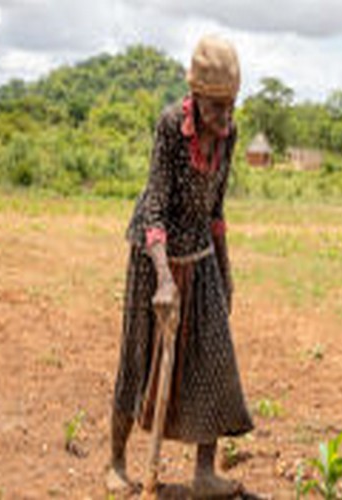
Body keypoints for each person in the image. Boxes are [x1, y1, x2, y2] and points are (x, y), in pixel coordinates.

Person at [106, 35, 253, 497]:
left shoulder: (228, 134)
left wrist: (225, 270)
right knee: (138, 358)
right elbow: (154, 205)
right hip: (154, 255)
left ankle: (205, 473)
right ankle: (116, 462)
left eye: (231, 106)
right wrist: (164, 280)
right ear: (196, 97)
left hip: (201, 251)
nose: (224, 117)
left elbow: (216, 209)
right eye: (216, 107)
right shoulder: (171, 125)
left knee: (214, 355)